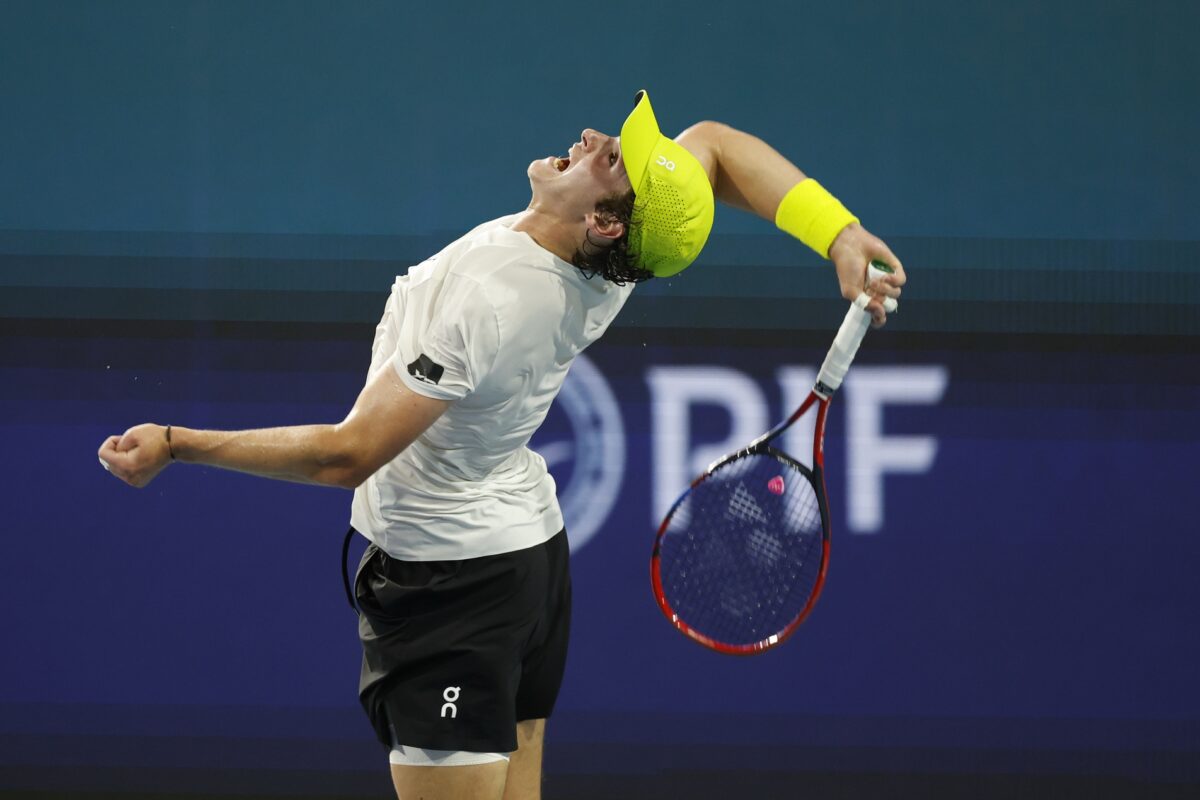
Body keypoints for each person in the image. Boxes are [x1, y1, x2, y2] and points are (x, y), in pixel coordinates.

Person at [98, 90, 905, 800]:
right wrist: (837, 233)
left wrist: (179, 444)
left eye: (611, 158)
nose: (592, 136)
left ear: (604, 219)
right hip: (523, 558)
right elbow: (718, 146)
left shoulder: (496, 304)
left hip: (453, 591)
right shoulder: (621, 254)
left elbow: (348, 455)